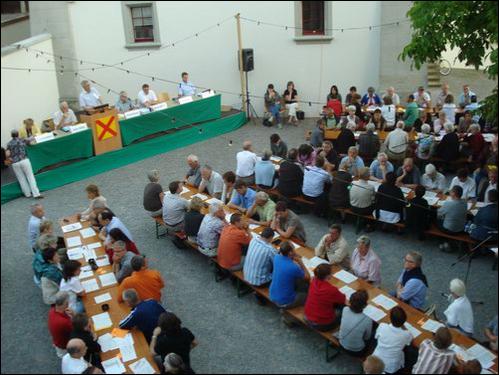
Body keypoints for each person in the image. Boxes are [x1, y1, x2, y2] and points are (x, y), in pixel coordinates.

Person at [269, 242, 310, 317]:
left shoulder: (276, 257)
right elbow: (308, 276)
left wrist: (293, 256)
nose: (295, 251)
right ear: (290, 253)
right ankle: (288, 316)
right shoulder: (294, 267)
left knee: (296, 281)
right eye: (293, 250)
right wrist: (301, 263)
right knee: (307, 295)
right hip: (284, 300)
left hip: (272, 294)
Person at [304, 263, 346, 331]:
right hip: (322, 324)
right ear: (328, 276)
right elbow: (342, 299)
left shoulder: (313, 280)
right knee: (344, 309)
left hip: (307, 316)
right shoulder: (331, 289)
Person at [372, 306, 413, 374]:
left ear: (390, 319)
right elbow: (408, 343)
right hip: (391, 367)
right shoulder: (407, 334)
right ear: (404, 321)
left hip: (376, 360)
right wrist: (405, 328)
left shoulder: (382, 326)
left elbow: (376, 337)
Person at [6, 130, 42, 199]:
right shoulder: (22, 140)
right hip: (24, 160)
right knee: (30, 177)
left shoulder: (9, 143)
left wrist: (10, 158)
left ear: (11, 135)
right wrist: (33, 136)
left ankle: (27, 194)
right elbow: (30, 141)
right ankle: (36, 194)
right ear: (18, 134)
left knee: (21, 178)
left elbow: (7, 154)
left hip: (15, 163)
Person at [338, 290, 373, 356]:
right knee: (373, 335)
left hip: (341, 343)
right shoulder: (367, 319)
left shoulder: (345, 309)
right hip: (357, 351)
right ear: (365, 305)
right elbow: (367, 337)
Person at [48, 291, 74, 358]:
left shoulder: (52, 311)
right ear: (66, 303)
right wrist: (74, 314)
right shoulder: (64, 322)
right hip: (65, 346)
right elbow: (77, 329)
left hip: (58, 342)